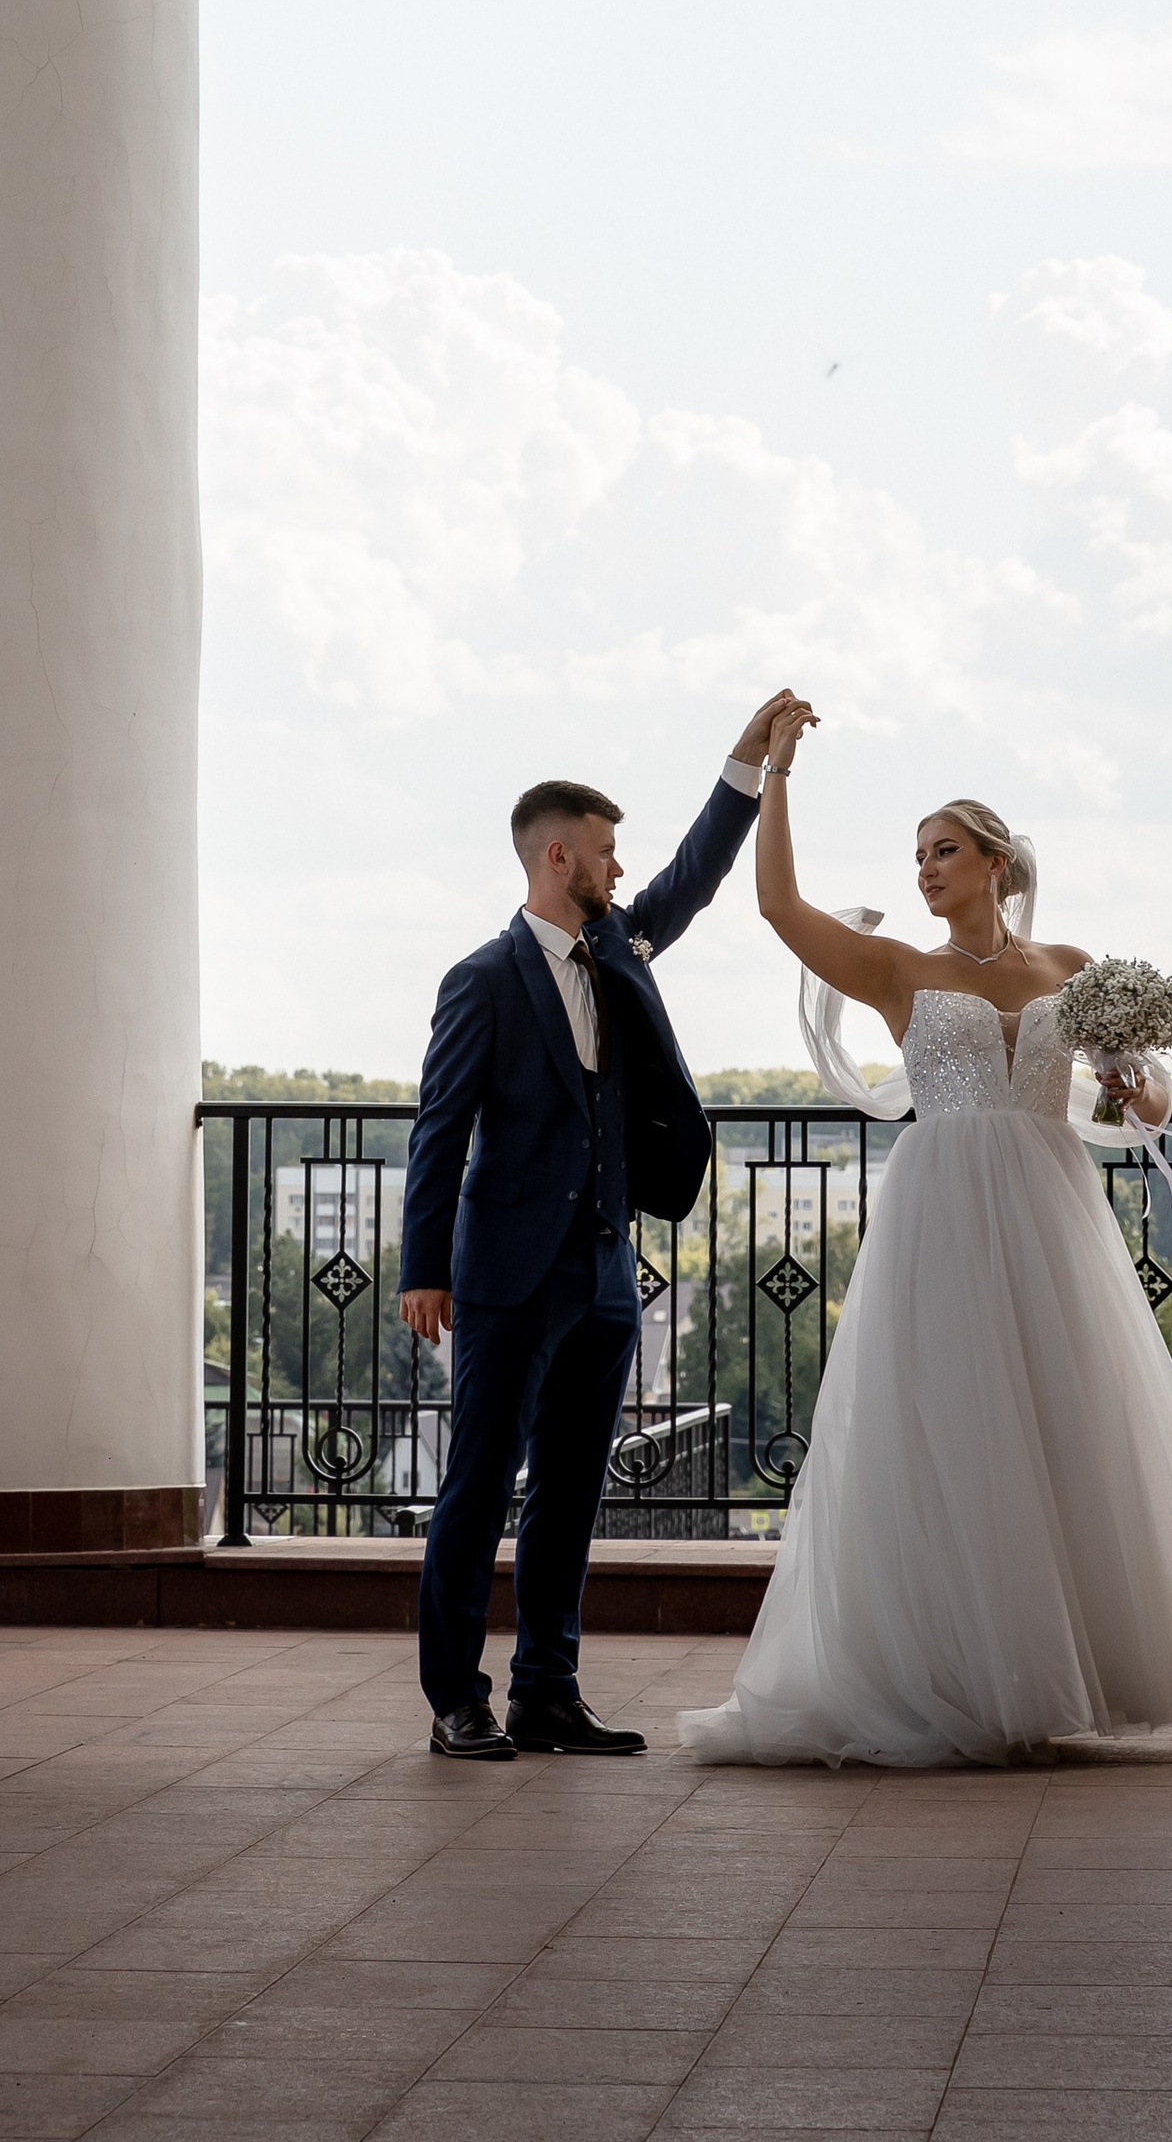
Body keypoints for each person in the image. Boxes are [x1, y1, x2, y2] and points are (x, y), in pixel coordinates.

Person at [680, 699, 1172, 1766]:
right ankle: (949, 1674)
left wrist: (1127, 1083)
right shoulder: (898, 971)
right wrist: (773, 774)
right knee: (954, 1429)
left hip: (1052, 1211)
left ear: (994, 861)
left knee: (1065, 1425)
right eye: (916, 856)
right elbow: (778, 905)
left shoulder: (1069, 964)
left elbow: (1142, 1107)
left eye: (942, 851)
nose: (923, 870)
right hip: (945, 1212)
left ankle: (1058, 1669)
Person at [399, 695, 804, 1760]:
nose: (622, 871)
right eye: (607, 854)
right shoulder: (481, 980)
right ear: (559, 854)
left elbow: (693, 876)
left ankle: (545, 1690)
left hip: (606, 1271)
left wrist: (747, 766)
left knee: (572, 1492)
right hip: (501, 1276)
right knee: (478, 1486)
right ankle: (455, 1698)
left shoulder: (619, 943)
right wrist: (421, 1269)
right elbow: (438, 1132)